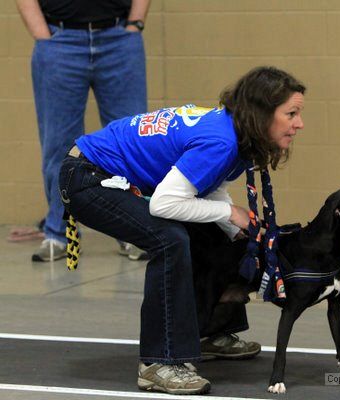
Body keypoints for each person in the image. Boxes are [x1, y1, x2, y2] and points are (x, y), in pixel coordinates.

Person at [58, 66, 306, 395]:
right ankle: (159, 363)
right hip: (87, 177)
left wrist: (232, 225)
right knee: (168, 239)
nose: (299, 124)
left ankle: (210, 332)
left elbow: (202, 184)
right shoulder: (221, 141)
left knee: (217, 232)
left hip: (101, 172)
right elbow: (164, 204)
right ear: (262, 114)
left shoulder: (231, 129)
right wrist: (230, 212)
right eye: (291, 114)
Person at [16, 0, 150, 262]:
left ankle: (133, 232)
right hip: (59, 41)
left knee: (130, 142)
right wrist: (43, 36)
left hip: (119, 40)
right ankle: (60, 233)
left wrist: (135, 23)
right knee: (59, 145)